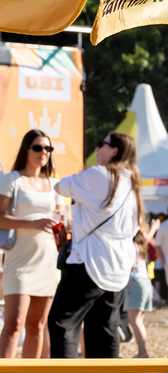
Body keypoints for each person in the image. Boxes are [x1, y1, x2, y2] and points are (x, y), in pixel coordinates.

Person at [48, 132, 143, 359]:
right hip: (118, 265)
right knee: (104, 328)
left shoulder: (99, 174)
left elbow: (60, 186)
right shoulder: (132, 182)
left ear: (114, 151)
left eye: (102, 144)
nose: (97, 149)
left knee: (62, 322)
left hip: (89, 261)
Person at [0, 129, 64, 359]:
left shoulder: (55, 184)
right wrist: (32, 223)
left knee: (38, 325)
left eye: (48, 148)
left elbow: (61, 221)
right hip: (20, 261)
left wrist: (64, 225)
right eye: (38, 147)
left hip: (48, 260)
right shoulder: (12, 180)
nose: (44, 152)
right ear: (26, 149)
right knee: (13, 324)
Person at [126, 216, 159, 357]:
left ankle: (143, 353)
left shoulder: (131, 245)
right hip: (145, 282)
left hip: (135, 282)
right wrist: (153, 228)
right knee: (139, 320)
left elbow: (131, 265)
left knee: (134, 320)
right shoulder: (141, 246)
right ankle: (142, 352)